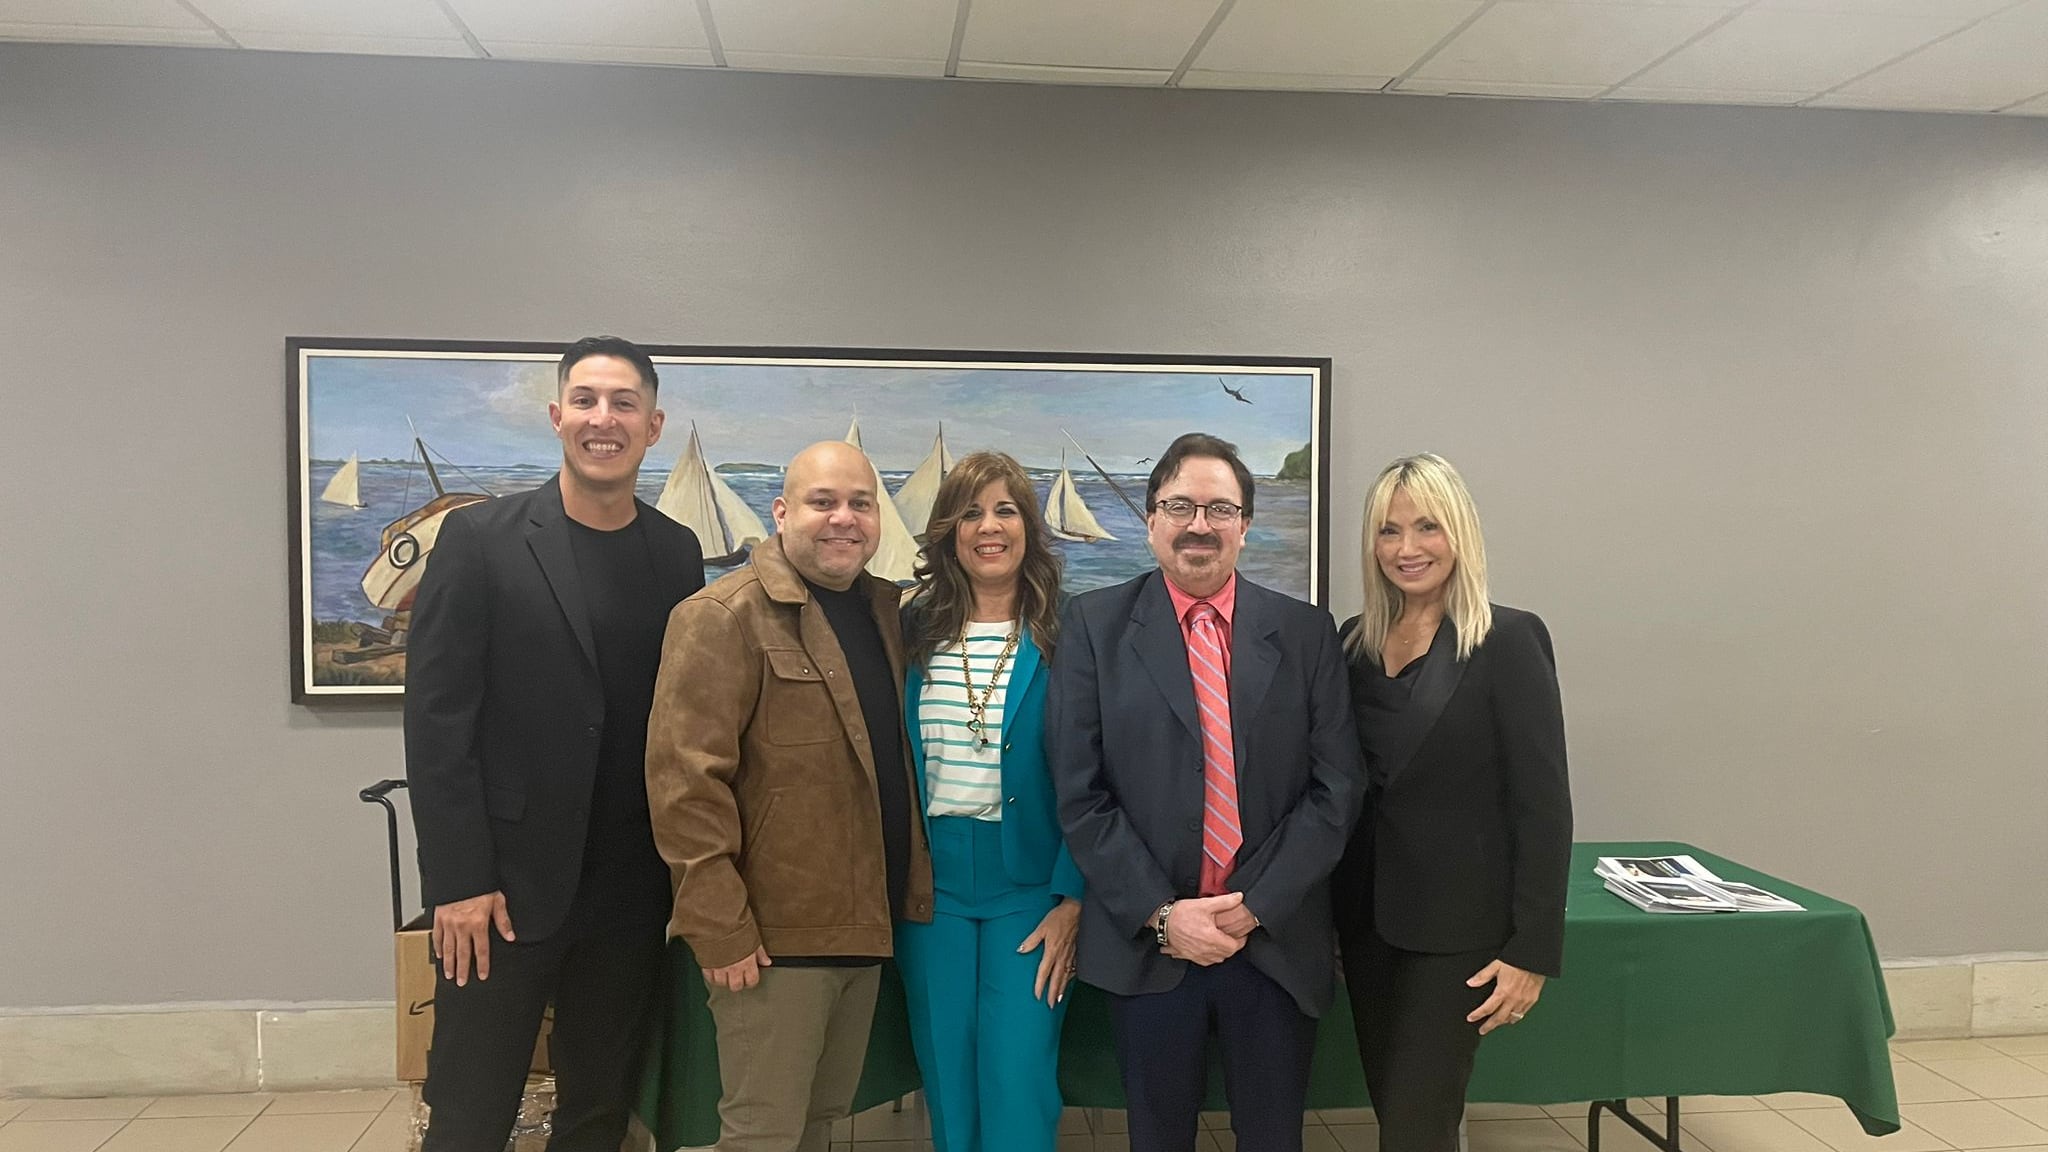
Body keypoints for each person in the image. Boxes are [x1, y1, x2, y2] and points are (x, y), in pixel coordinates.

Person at [405, 335, 706, 1151]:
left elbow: (683, 718)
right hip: (499, 894)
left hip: (630, 890)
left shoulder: (677, 551)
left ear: (653, 425)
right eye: (586, 400)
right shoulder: (480, 541)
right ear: (556, 415)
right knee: (469, 1114)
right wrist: (458, 883)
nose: (602, 419)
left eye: (623, 404)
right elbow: (437, 724)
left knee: (599, 1113)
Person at [1049, 432, 1365, 1152]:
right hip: (1152, 950)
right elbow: (1080, 792)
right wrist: (1165, 916)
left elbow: (1337, 787)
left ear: (1245, 525)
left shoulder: (1307, 634)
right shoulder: (1093, 628)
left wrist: (1254, 907)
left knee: (1272, 1139)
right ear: (1151, 519)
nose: (1199, 524)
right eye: (1180, 506)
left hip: (1275, 943)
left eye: (1219, 508)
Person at [646, 440, 934, 1152]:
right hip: (771, 941)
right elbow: (684, 783)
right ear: (781, 513)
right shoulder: (722, 616)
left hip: (861, 926)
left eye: (860, 503)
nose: (843, 519)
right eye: (822, 502)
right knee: (761, 1135)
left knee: (815, 1126)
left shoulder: (882, 614)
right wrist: (721, 925)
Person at [1331, 453, 1573, 1152]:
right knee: (1395, 1111)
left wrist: (1534, 951)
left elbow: (1543, 804)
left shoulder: (1509, 640)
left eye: (1427, 527)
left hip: (1458, 935)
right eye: (1389, 531)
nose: (1407, 549)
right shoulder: (1354, 642)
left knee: (1417, 1124)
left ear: (1459, 533)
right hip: (1368, 929)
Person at [897, 452, 1081, 1152]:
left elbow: (1098, 775)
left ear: (1029, 526)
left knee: (1018, 1074)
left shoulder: (1070, 636)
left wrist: (1075, 899)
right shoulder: (910, 633)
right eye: (971, 512)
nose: (988, 526)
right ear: (948, 531)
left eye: (1005, 509)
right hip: (930, 888)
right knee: (947, 1075)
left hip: (1030, 887)